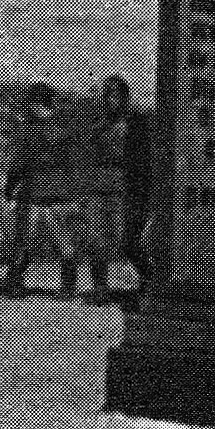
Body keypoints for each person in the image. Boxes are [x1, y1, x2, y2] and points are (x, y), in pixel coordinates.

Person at [0, 82, 86, 300]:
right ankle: (68, 287)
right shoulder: (61, 129)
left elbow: (19, 162)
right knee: (62, 240)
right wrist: (74, 191)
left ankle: (14, 283)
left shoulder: (30, 129)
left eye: (30, 103)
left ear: (34, 104)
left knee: (24, 239)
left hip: (33, 192)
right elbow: (72, 165)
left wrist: (9, 187)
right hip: (57, 194)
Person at [94, 73, 151, 294]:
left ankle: (149, 278)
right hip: (99, 186)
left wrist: (143, 195)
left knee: (126, 241)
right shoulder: (98, 123)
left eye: (113, 95)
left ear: (123, 97)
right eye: (105, 94)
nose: (108, 99)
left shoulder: (135, 122)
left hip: (126, 189)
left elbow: (143, 161)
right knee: (96, 239)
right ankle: (100, 287)